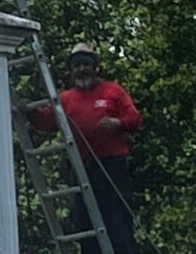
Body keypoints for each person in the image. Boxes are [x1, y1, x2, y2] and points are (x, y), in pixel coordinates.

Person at [28, 43, 142, 254]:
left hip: (111, 167)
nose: (82, 69)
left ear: (95, 67)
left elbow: (134, 117)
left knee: (117, 222)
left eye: (86, 64)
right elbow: (47, 121)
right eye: (77, 65)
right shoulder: (65, 99)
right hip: (82, 168)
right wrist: (28, 111)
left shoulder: (112, 91)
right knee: (86, 222)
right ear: (71, 71)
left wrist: (118, 123)